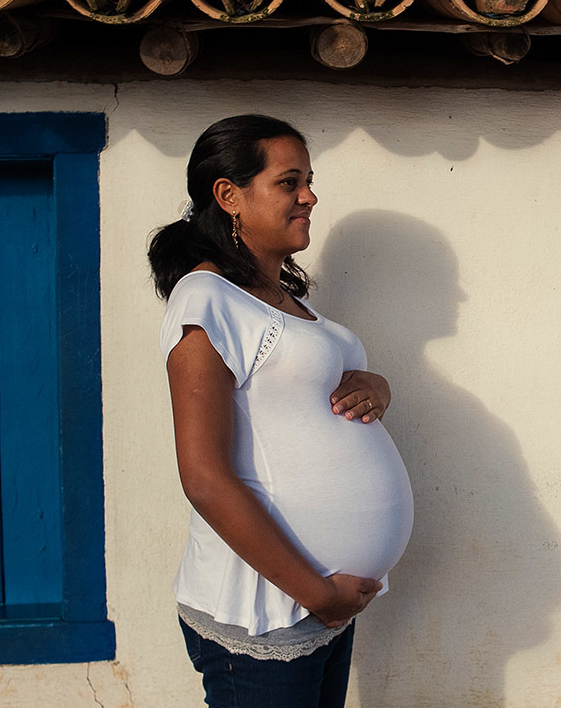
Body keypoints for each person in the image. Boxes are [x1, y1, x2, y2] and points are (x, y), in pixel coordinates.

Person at [147, 115, 414, 708]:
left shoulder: (283, 302)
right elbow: (204, 478)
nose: (310, 196)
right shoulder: (207, 299)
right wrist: (316, 593)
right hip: (266, 609)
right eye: (289, 181)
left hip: (321, 605)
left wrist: (380, 388)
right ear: (229, 195)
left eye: (309, 181)